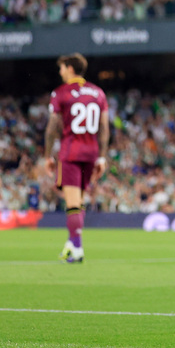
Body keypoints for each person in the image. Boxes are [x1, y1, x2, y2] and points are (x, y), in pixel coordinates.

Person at [43, 54, 109, 264]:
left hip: (71, 153)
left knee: (72, 204)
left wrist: (47, 155)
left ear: (70, 68)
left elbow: (52, 127)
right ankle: (72, 243)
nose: (60, 72)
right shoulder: (98, 92)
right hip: (91, 153)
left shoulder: (61, 93)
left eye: (62, 68)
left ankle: (77, 248)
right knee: (78, 202)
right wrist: (102, 157)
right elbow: (104, 127)